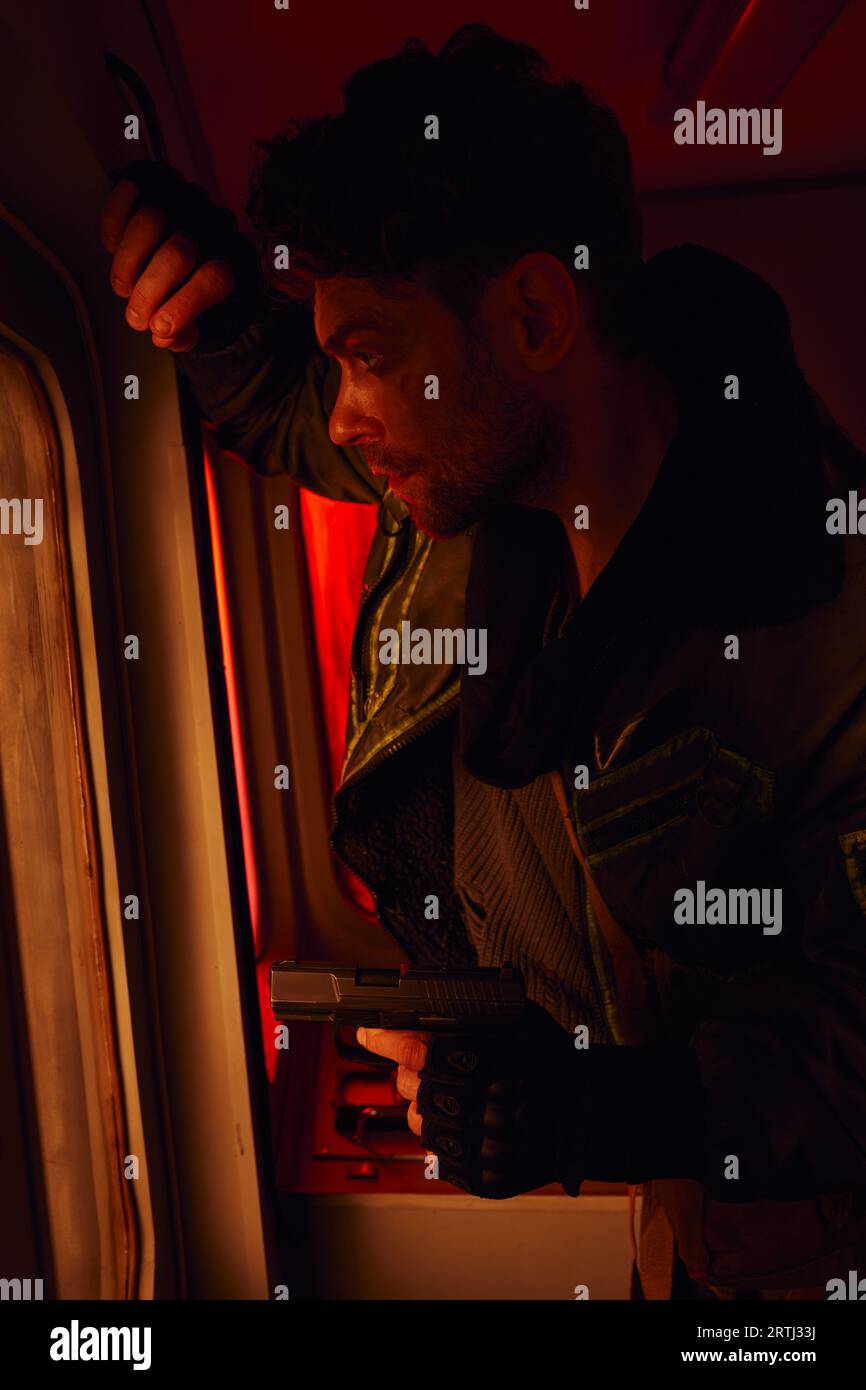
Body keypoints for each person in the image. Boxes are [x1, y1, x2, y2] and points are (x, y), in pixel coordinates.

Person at [99, 23, 866, 1299]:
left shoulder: (818, 613)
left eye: (368, 355)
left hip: (807, 1245)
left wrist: (587, 1113)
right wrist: (214, 310)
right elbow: (299, 411)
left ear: (530, 312)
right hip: (671, 1226)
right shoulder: (485, 451)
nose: (345, 414)